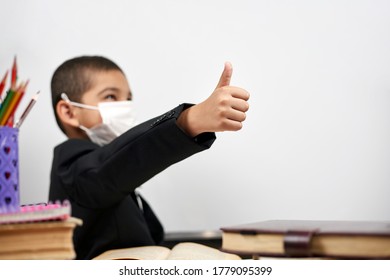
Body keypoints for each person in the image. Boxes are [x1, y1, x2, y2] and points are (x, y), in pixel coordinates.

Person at [48, 56, 250, 259]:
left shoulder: (115, 175)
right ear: (68, 111)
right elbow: (112, 167)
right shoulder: (70, 161)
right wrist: (190, 120)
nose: (124, 106)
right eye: (110, 97)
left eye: (128, 99)